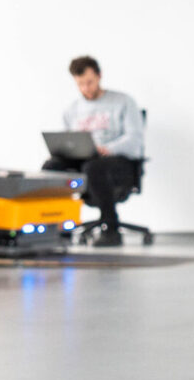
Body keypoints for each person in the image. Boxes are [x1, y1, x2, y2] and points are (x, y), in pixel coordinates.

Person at [43, 55, 144, 248]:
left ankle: (111, 229)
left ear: (99, 76)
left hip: (118, 161)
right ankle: (55, 225)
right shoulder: (72, 109)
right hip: (86, 160)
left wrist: (108, 149)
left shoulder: (123, 102)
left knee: (94, 167)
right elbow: (69, 141)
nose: (86, 88)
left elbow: (135, 140)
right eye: (80, 84)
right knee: (51, 165)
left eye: (89, 82)